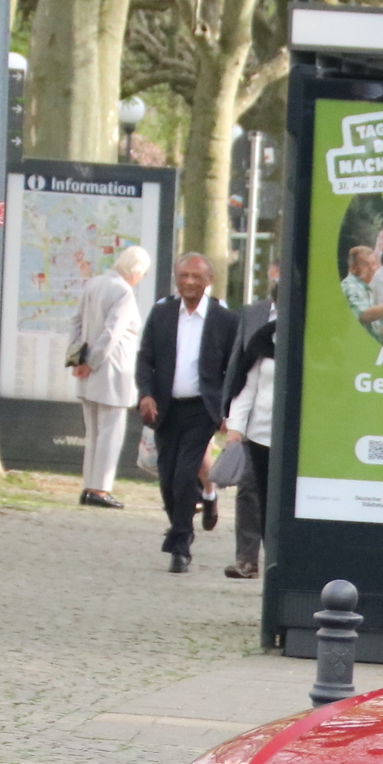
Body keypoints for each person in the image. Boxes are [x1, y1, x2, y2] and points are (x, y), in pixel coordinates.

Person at [134, 252, 238, 573]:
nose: (189, 282)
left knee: (184, 474)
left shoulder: (224, 319)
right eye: (184, 276)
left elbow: (234, 369)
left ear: (209, 281)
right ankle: (190, 515)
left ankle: (181, 542)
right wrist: (146, 394)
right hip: (165, 408)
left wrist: (228, 409)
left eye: (196, 277)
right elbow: (145, 358)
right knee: (167, 476)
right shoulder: (162, 312)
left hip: (202, 408)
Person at [66, 245, 148, 508]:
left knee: (93, 433)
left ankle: (89, 486)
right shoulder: (123, 292)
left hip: (87, 372)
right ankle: (100, 489)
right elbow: (112, 333)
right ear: (135, 270)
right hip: (112, 371)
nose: (141, 278)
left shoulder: (94, 284)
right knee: (110, 433)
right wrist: (92, 362)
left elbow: (76, 322)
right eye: (142, 273)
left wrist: (76, 359)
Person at [218, 287, 276, 580]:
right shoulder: (264, 337)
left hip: (290, 437)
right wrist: (235, 428)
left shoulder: (311, 334)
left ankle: (278, 561)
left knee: (278, 500)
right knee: (248, 491)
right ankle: (247, 559)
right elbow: (246, 385)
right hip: (257, 432)